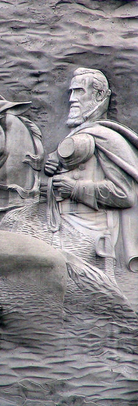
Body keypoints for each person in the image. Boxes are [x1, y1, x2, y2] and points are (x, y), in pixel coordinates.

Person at [44, 67, 138, 277]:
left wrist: (75, 188)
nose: (71, 99)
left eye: (79, 92)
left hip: (90, 234)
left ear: (98, 95)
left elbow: (125, 195)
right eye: (71, 92)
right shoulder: (78, 136)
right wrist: (52, 171)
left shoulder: (108, 139)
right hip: (60, 225)